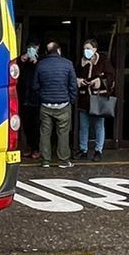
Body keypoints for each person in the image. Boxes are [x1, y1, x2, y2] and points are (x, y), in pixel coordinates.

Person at [33, 40, 77, 169]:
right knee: (63, 133)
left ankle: (45, 160)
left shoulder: (41, 65)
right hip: (63, 104)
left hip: (46, 104)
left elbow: (35, 85)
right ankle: (63, 160)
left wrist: (41, 96)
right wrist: (71, 100)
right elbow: (73, 85)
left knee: (45, 133)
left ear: (46, 52)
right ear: (59, 50)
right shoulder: (68, 64)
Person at [76, 38, 115, 162]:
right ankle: (83, 150)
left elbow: (111, 77)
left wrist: (99, 82)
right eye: (84, 48)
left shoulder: (103, 61)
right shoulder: (81, 62)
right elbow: (75, 75)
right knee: (84, 126)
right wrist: (80, 81)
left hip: (98, 98)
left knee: (99, 125)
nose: (86, 51)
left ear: (95, 49)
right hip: (84, 98)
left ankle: (98, 150)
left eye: (88, 48)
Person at [16, 43, 41, 163]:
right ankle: (29, 147)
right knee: (25, 124)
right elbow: (15, 72)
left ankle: (36, 148)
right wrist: (21, 60)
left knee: (35, 125)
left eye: (34, 48)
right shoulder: (22, 60)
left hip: (35, 99)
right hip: (23, 97)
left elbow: (41, 75)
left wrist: (36, 62)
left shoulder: (40, 61)